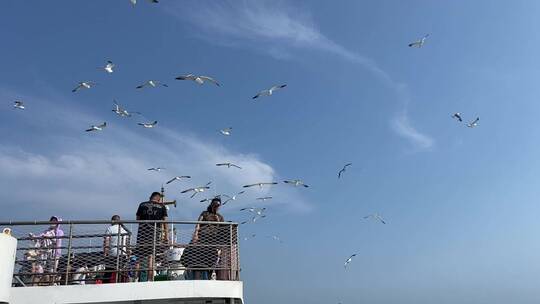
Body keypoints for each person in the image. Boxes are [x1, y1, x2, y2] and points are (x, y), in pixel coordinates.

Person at [135, 192, 169, 281]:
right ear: (158, 199)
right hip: (154, 234)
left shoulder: (142, 204)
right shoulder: (162, 206)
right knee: (151, 257)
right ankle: (150, 280)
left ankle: (135, 278)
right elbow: (165, 222)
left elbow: (137, 219)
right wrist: (166, 236)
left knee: (139, 257)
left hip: (142, 233)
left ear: (150, 197)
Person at [190, 198, 227, 280]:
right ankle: (197, 277)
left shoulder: (220, 217)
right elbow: (198, 223)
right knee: (199, 259)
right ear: (211, 205)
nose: (216, 207)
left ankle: (209, 277)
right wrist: (196, 234)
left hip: (213, 240)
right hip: (203, 238)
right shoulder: (205, 213)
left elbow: (222, 230)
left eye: (218, 205)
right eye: (215, 205)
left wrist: (218, 222)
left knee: (211, 260)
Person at [30, 216, 64, 285]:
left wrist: (49, 237)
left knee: (52, 271)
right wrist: (33, 237)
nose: (52, 222)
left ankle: (51, 285)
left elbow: (57, 241)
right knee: (39, 270)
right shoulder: (46, 231)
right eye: (52, 221)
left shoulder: (60, 232)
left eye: (54, 221)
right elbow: (39, 237)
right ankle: (33, 286)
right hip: (44, 254)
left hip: (54, 254)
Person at [103, 215, 130, 283]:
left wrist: (105, 253)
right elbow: (127, 244)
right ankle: (120, 284)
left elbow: (107, 242)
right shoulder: (124, 230)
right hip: (122, 254)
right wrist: (128, 253)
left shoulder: (110, 229)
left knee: (108, 272)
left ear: (113, 221)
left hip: (112, 254)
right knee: (120, 272)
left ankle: (104, 286)